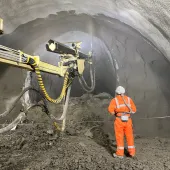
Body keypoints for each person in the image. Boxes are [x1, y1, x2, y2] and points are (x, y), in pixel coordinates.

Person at [108, 86, 137, 159]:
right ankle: (132, 153)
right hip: (128, 120)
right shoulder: (128, 99)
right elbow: (134, 110)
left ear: (116, 92)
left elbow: (111, 111)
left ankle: (120, 154)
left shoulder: (114, 100)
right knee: (130, 136)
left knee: (119, 136)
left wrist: (115, 113)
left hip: (119, 120)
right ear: (124, 92)